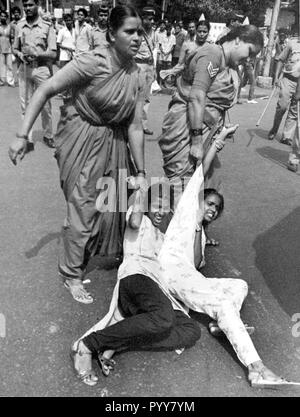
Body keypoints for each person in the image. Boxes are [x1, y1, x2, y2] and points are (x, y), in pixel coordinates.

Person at [8, 5, 147, 304]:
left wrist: (142, 171)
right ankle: (71, 272)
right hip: (81, 138)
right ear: (112, 34)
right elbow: (45, 89)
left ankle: (101, 251)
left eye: (139, 32)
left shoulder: (138, 73)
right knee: (83, 206)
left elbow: (135, 125)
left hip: (115, 141)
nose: (136, 38)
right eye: (129, 31)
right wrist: (22, 135)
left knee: (112, 202)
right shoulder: (93, 62)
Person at [157, 125, 294, 388]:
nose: (212, 210)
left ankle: (223, 324)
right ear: (198, 200)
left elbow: (197, 265)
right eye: (209, 204)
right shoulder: (187, 209)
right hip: (172, 273)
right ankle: (258, 369)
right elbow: (204, 168)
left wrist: (200, 232)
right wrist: (219, 139)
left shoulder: (201, 233)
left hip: (189, 277)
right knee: (223, 306)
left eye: (216, 209)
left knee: (239, 285)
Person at [70, 178, 202, 386]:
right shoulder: (138, 217)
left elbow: (193, 263)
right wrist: (141, 190)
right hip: (136, 278)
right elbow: (133, 222)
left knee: (191, 330)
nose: (161, 212)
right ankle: (88, 345)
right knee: (163, 319)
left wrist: (195, 226)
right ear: (147, 204)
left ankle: (116, 343)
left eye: (165, 208)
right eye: (157, 205)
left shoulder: (162, 236)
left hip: (154, 290)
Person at [158, 25, 263, 192]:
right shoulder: (213, 55)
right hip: (186, 129)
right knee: (181, 186)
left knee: (204, 185)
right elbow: (197, 97)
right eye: (249, 52)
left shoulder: (229, 64)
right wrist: (197, 142)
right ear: (237, 40)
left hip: (206, 129)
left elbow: (215, 101)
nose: (249, 59)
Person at [12, 0, 57, 151]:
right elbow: (15, 48)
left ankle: (48, 135)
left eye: (30, 5)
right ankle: (27, 138)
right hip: (25, 69)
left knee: (45, 106)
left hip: (42, 69)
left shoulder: (47, 26)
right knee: (25, 105)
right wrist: (20, 55)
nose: (27, 8)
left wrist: (37, 54)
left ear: (37, 5)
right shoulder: (19, 25)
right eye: (25, 5)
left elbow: (53, 53)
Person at [268, 34, 300, 144]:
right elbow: (281, 60)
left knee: (295, 110)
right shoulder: (292, 43)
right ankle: (274, 128)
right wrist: (276, 77)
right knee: (282, 106)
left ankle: (286, 136)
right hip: (288, 79)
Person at [134, 7, 156, 136]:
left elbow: (154, 51)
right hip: (139, 65)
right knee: (136, 96)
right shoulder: (137, 32)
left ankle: (144, 125)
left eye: (153, 19)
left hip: (149, 66)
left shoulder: (154, 32)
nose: (152, 21)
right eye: (150, 19)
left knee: (147, 97)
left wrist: (154, 69)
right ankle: (132, 123)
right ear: (143, 19)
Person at [0, 10, 15, 87]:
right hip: (0, 49)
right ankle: (2, 81)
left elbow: (12, 38)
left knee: (9, 65)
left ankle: (10, 81)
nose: (3, 17)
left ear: (6, 18)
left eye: (4, 16)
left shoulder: (9, 26)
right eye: (1, 16)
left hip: (8, 48)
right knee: (1, 66)